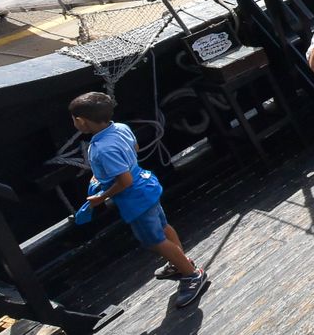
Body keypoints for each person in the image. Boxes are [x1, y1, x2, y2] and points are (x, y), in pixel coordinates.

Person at [68, 92, 209, 308]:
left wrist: (101, 197)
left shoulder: (103, 149)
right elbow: (134, 150)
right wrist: (104, 174)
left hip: (135, 199)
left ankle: (192, 275)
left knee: (154, 240)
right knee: (163, 226)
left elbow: (124, 181)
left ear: (81, 121)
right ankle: (179, 261)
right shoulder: (120, 127)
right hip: (146, 185)